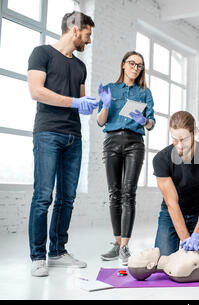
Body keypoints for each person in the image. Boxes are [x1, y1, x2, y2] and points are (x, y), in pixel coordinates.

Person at [27, 11, 97, 277]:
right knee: (43, 196)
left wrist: (94, 103)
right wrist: (75, 102)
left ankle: (57, 252)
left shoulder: (80, 66)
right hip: (47, 133)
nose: (88, 41)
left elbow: (81, 104)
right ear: (75, 29)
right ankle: (37, 256)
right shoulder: (42, 53)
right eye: (88, 34)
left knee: (67, 198)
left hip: (73, 136)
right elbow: (37, 91)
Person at [97, 51, 156, 266]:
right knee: (114, 193)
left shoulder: (144, 92)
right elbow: (101, 122)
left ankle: (124, 247)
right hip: (111, 142)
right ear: (123, 65)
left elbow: (152, 123)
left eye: (139, 65)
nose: (135, 67)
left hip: (134, 143)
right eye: (132, 63)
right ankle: (116, 242)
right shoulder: (111, 89)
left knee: (128, 193)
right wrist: (105, 104)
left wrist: (143, 120)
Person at [153, 111, 199, 256]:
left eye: (184, 139)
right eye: (175, 139)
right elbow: (172, 204)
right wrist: (185, 239)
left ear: (195, 132)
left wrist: (197, 235)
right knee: (163, 261)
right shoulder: (161, 159)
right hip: (171, 213)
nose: (180, 145)